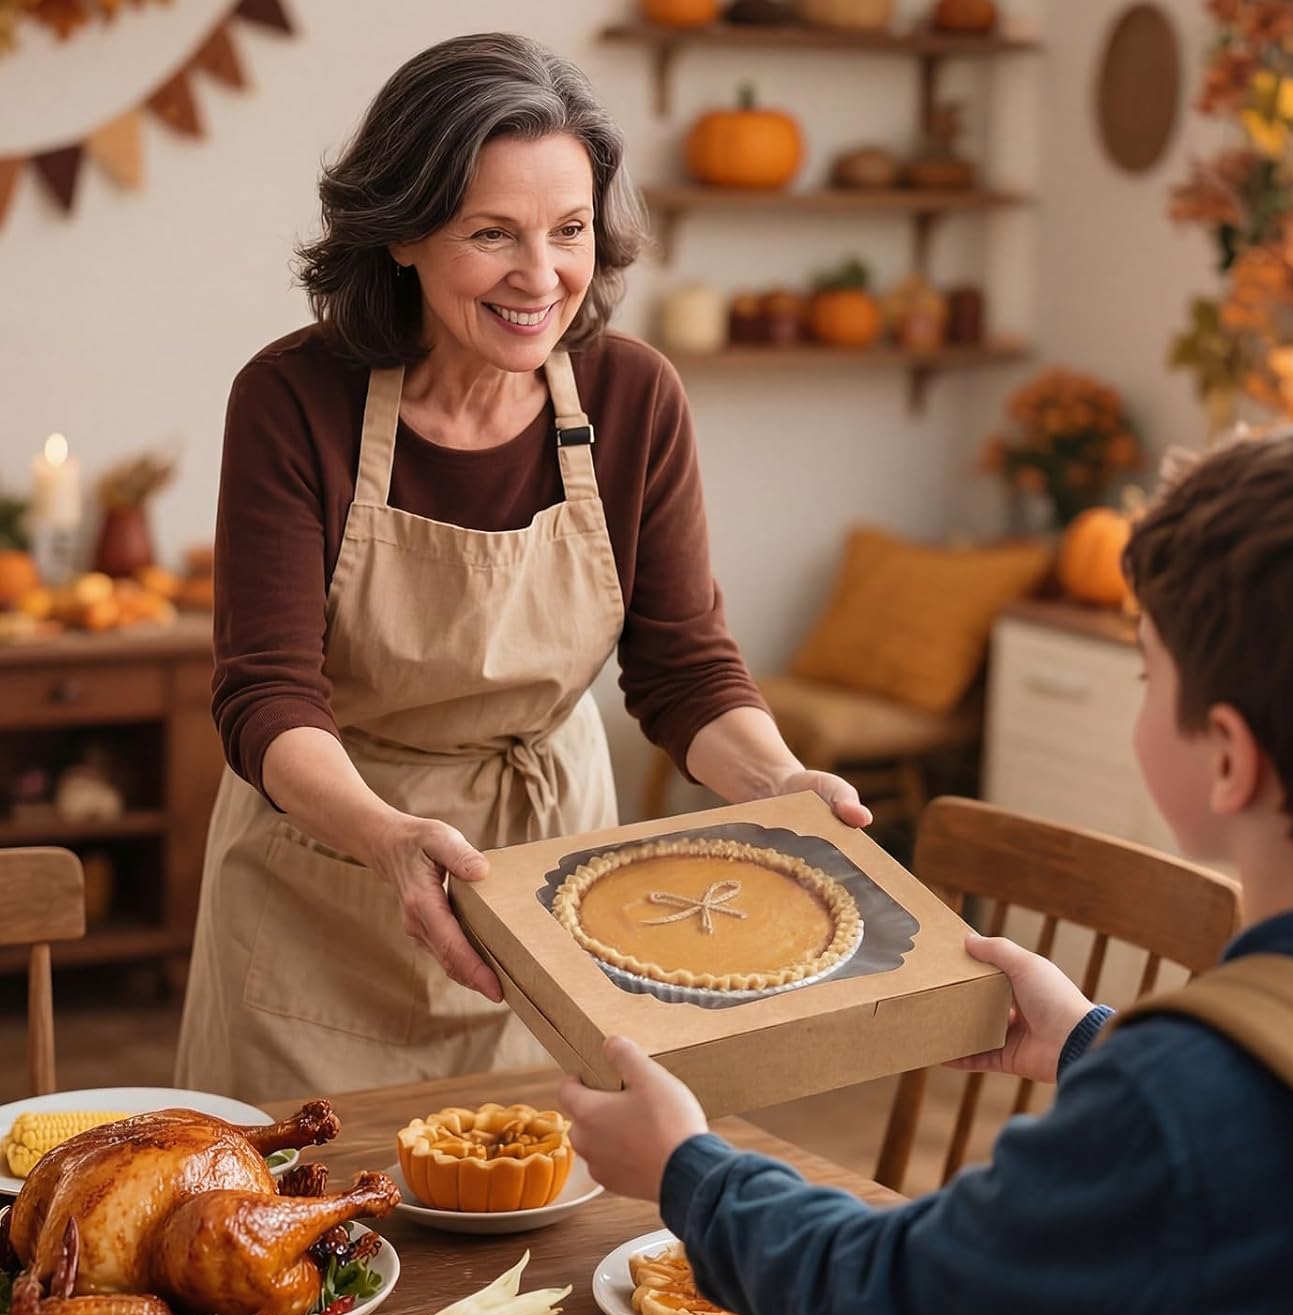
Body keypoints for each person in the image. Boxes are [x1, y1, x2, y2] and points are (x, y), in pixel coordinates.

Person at [561, 421, 1293, 1315]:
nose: (1142, 699)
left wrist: (690, 1169)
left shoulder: (1180, 1107)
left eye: (1148, 675)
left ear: (1230, 758)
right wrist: (1093, 1044)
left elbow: (900, 1314)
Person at [175, 34, 867, 1099]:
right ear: (402, 234)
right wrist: (389, 837)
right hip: (329, 872)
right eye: (491, 233)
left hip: (552, 880)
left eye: (570, 230)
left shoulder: (635, 398)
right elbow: (266, 694)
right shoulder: (293, 400)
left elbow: (683, 670)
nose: (540, 276)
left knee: (549, 1221)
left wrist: (779, 785)